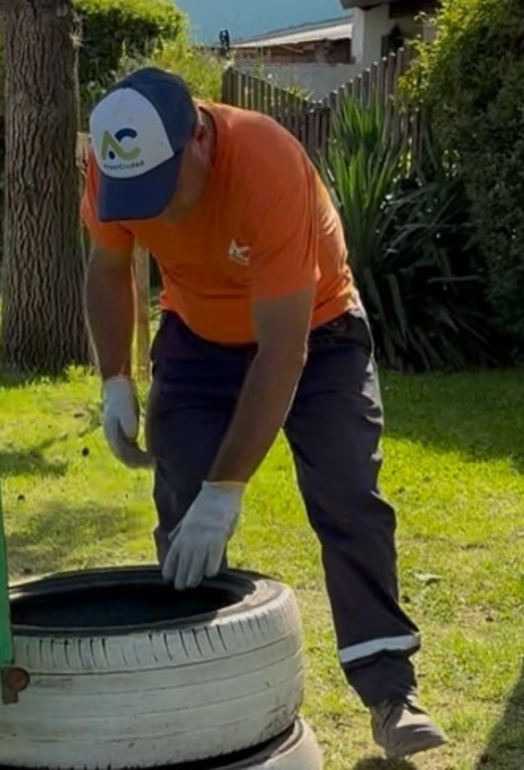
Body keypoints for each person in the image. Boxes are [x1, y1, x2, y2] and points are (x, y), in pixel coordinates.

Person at [79, 66, 447, 760]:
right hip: (196, 334)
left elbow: (283, 352)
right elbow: (106, 267)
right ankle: (193, 690)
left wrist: (230, 490)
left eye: (162, 189)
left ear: (197, 139)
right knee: (182, 494)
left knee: (346, 491)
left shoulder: (266, 162)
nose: (151, 211)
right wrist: (115, 382)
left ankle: (390, 691)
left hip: (321, 331)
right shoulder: (114, 161)